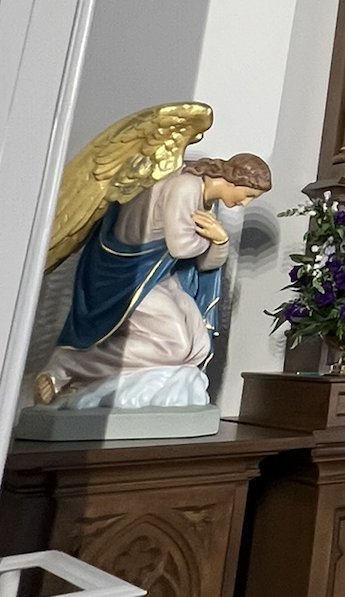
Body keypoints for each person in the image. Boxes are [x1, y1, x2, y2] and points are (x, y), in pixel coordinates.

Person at [36, 154, 271, 409]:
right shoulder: (186, 186)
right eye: (247, 194)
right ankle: (70, 364)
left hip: (162, 276)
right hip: (129, 275)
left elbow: (204, 264)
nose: (245, 203)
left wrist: (220, 241)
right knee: (175, 345)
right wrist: (214, 238)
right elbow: (181, 246)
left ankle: (140, 385)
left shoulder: (206, 201)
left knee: (198, 346)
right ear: (232, 179)